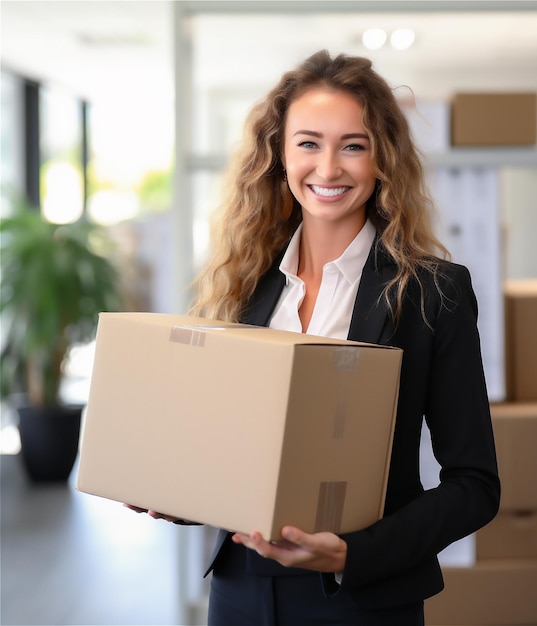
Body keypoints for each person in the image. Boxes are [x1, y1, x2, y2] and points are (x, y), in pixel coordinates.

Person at [130, 49, 500, 625]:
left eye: (353, 145)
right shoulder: (244, 283)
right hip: (241, 590)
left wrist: (354, 553)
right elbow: (229, 451)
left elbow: (475, 485)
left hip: (361, 595)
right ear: (279, 155)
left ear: (384, 159)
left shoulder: (433, 293)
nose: (328, 169)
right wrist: (178, 495)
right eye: (308, 143)